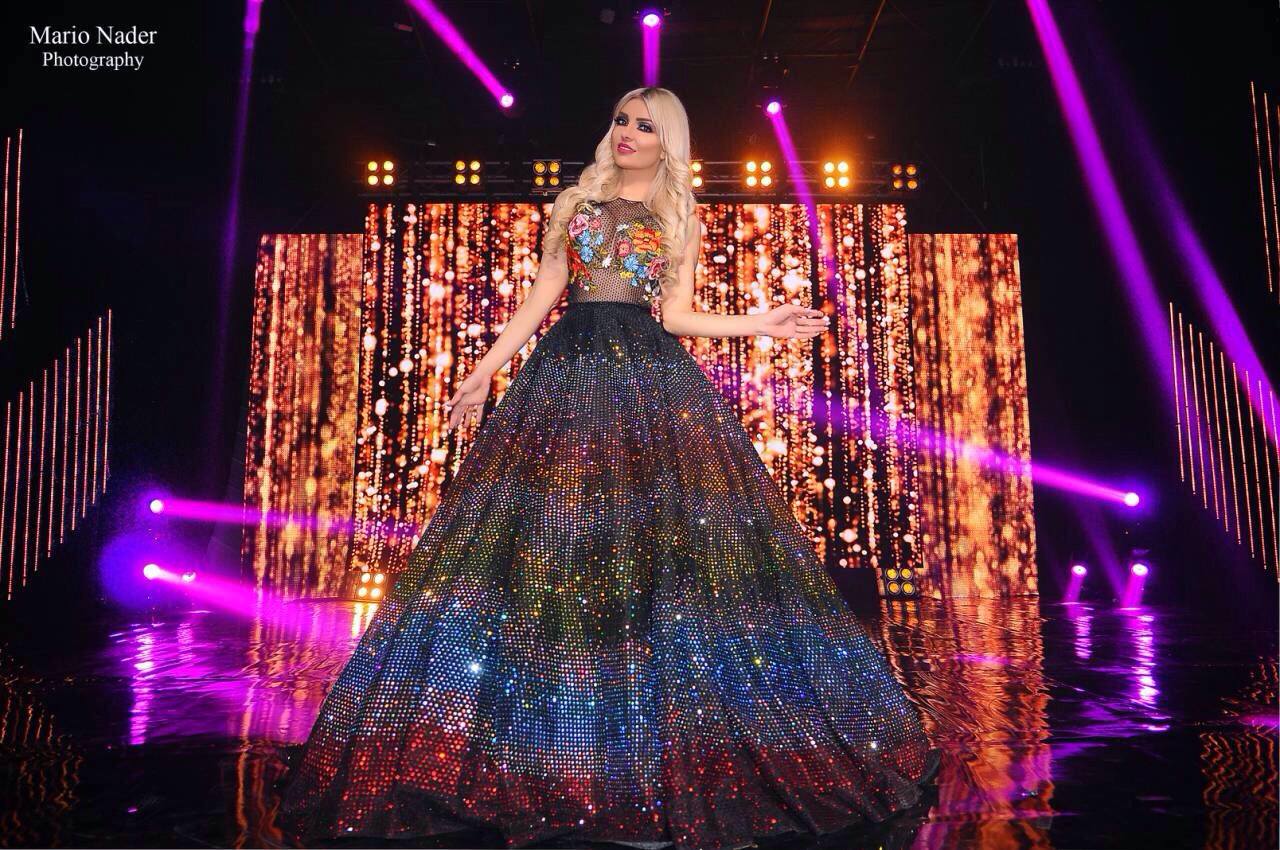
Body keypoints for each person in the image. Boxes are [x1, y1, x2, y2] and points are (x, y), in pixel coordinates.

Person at [274, 85, 940, 850]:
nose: (628, 133)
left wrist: (762, 321)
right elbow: (543, 297)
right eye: (623, 119)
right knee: (553, 552)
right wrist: (485, 371)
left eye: (645, 125)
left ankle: (642, 768)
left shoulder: (679, 215)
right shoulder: (577, 203)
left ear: (667, 140)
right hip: (567, 376)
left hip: (647, 382)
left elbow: (677, 315)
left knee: (654, 564)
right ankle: (552, 755)